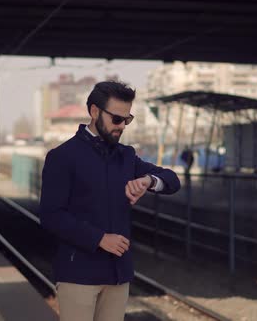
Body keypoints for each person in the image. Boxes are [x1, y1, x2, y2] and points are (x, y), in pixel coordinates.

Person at [39, 81, 181, 321]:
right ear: (94, 112)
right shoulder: (62, 157)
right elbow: (51, 216)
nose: (122, 126)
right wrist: (99, 239)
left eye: (127, 120)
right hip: (78, 275)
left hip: (117, 275)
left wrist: (148, 180)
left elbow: (172, 180)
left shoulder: (126, 156)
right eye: (117, 119)